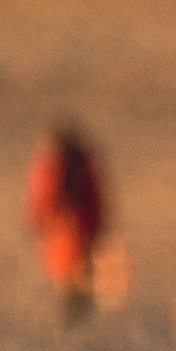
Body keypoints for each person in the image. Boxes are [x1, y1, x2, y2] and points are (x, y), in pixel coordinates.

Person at [26, 122, 113, 309]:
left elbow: (45, 197)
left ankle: (78, 308)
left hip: (69, 229)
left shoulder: (62, 165)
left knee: (75, 269)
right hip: (69, 229)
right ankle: (75, 308)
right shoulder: (69, 164)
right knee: (70, 270)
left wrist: (37, 219)